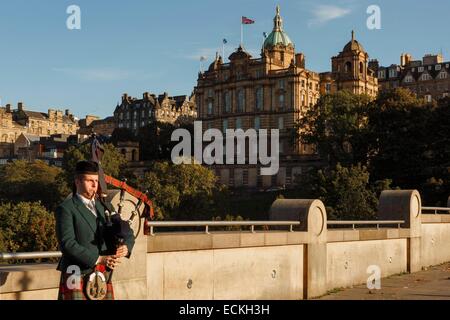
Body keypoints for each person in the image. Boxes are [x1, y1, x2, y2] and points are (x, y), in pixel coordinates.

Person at [55, 160, 135, 300]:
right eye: (89, 181)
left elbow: (127, 232)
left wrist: (126, 247)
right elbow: (67, 244)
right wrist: (99, 259)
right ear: (78, 182)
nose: (94, 185)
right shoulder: (67, 208)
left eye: (96, 181)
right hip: (76, 273)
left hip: (103, 274)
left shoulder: (105, 207)